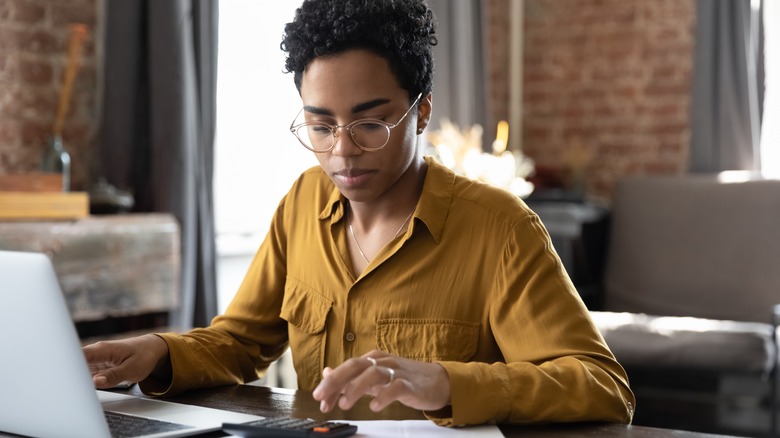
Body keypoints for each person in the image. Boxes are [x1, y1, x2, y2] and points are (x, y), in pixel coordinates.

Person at [84, 0, 635, 427]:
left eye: (370, 123)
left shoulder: (500, 229)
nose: (342, 151)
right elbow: (240, 343)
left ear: (421, 113)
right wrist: (154, 352)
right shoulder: (301, 203)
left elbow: (601, 386)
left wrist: (449, 384)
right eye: (321, 126)